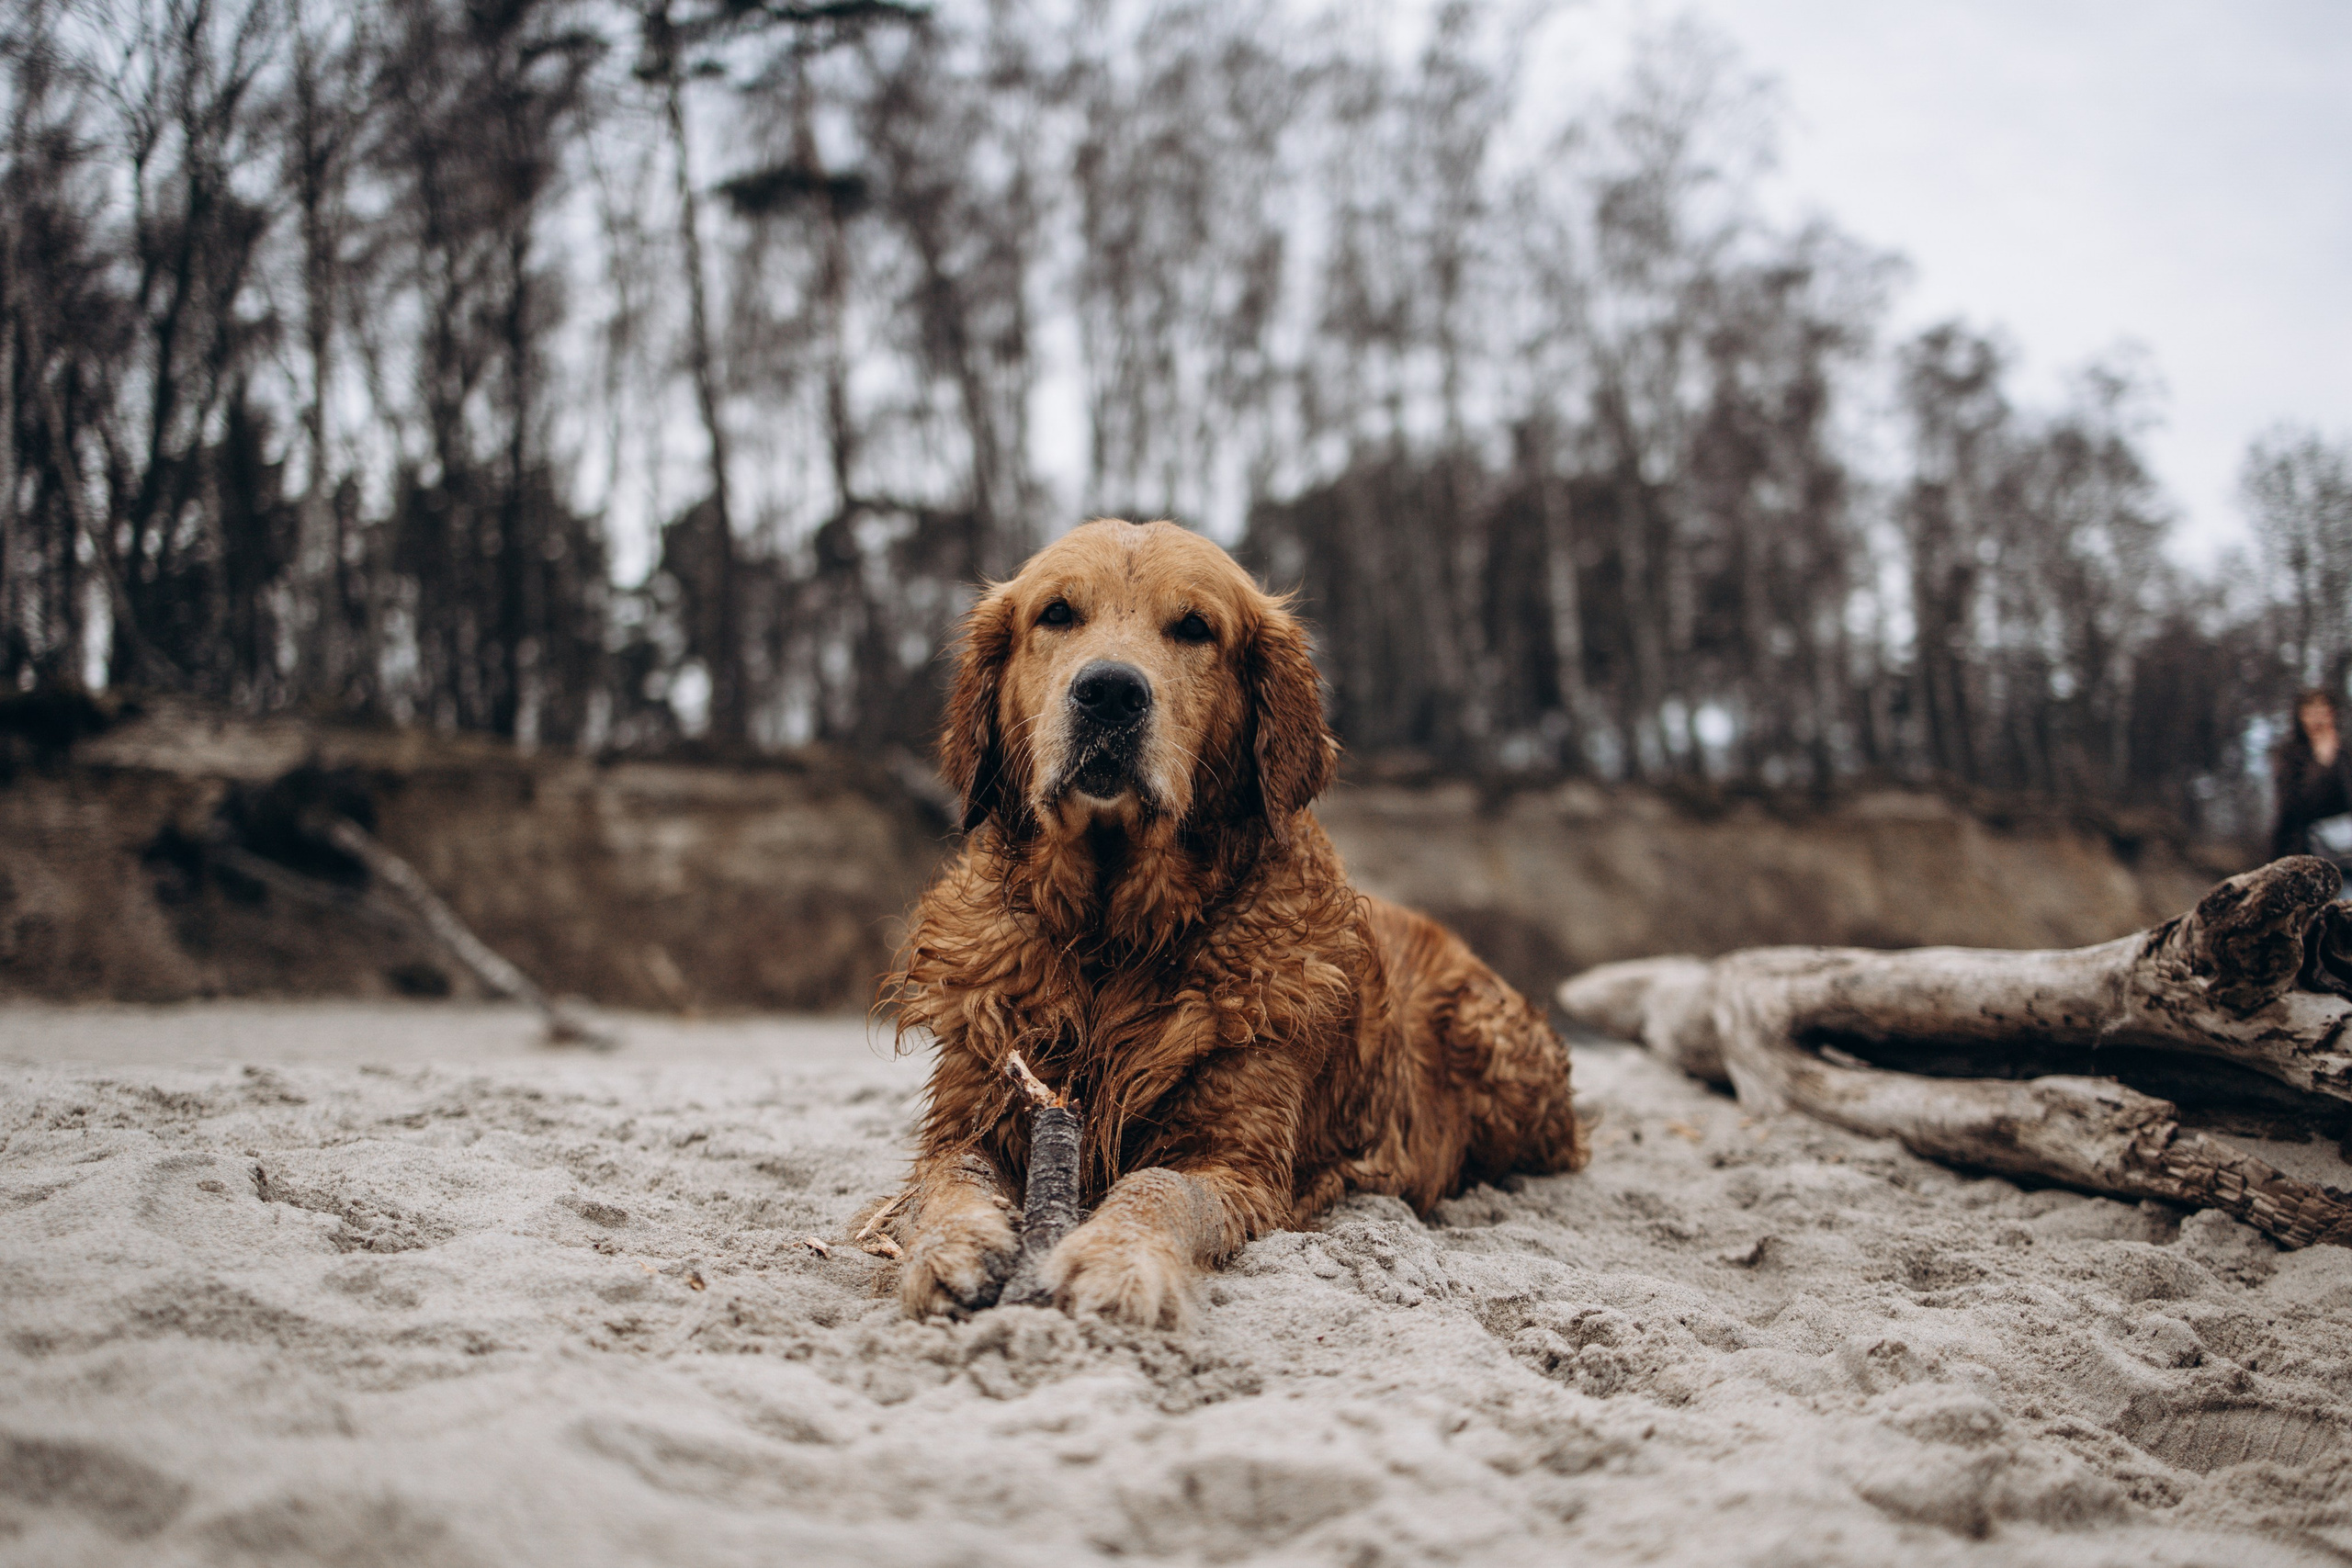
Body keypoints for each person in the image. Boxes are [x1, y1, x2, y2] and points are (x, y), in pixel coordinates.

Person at [2270, 688, 2352, 863]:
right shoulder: (2290, 756)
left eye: (2324, 713)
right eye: (2311, 713)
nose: (2318, 720)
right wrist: (2322, 762)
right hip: (2304, 847)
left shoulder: (2345, 755)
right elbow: (2292, 806)